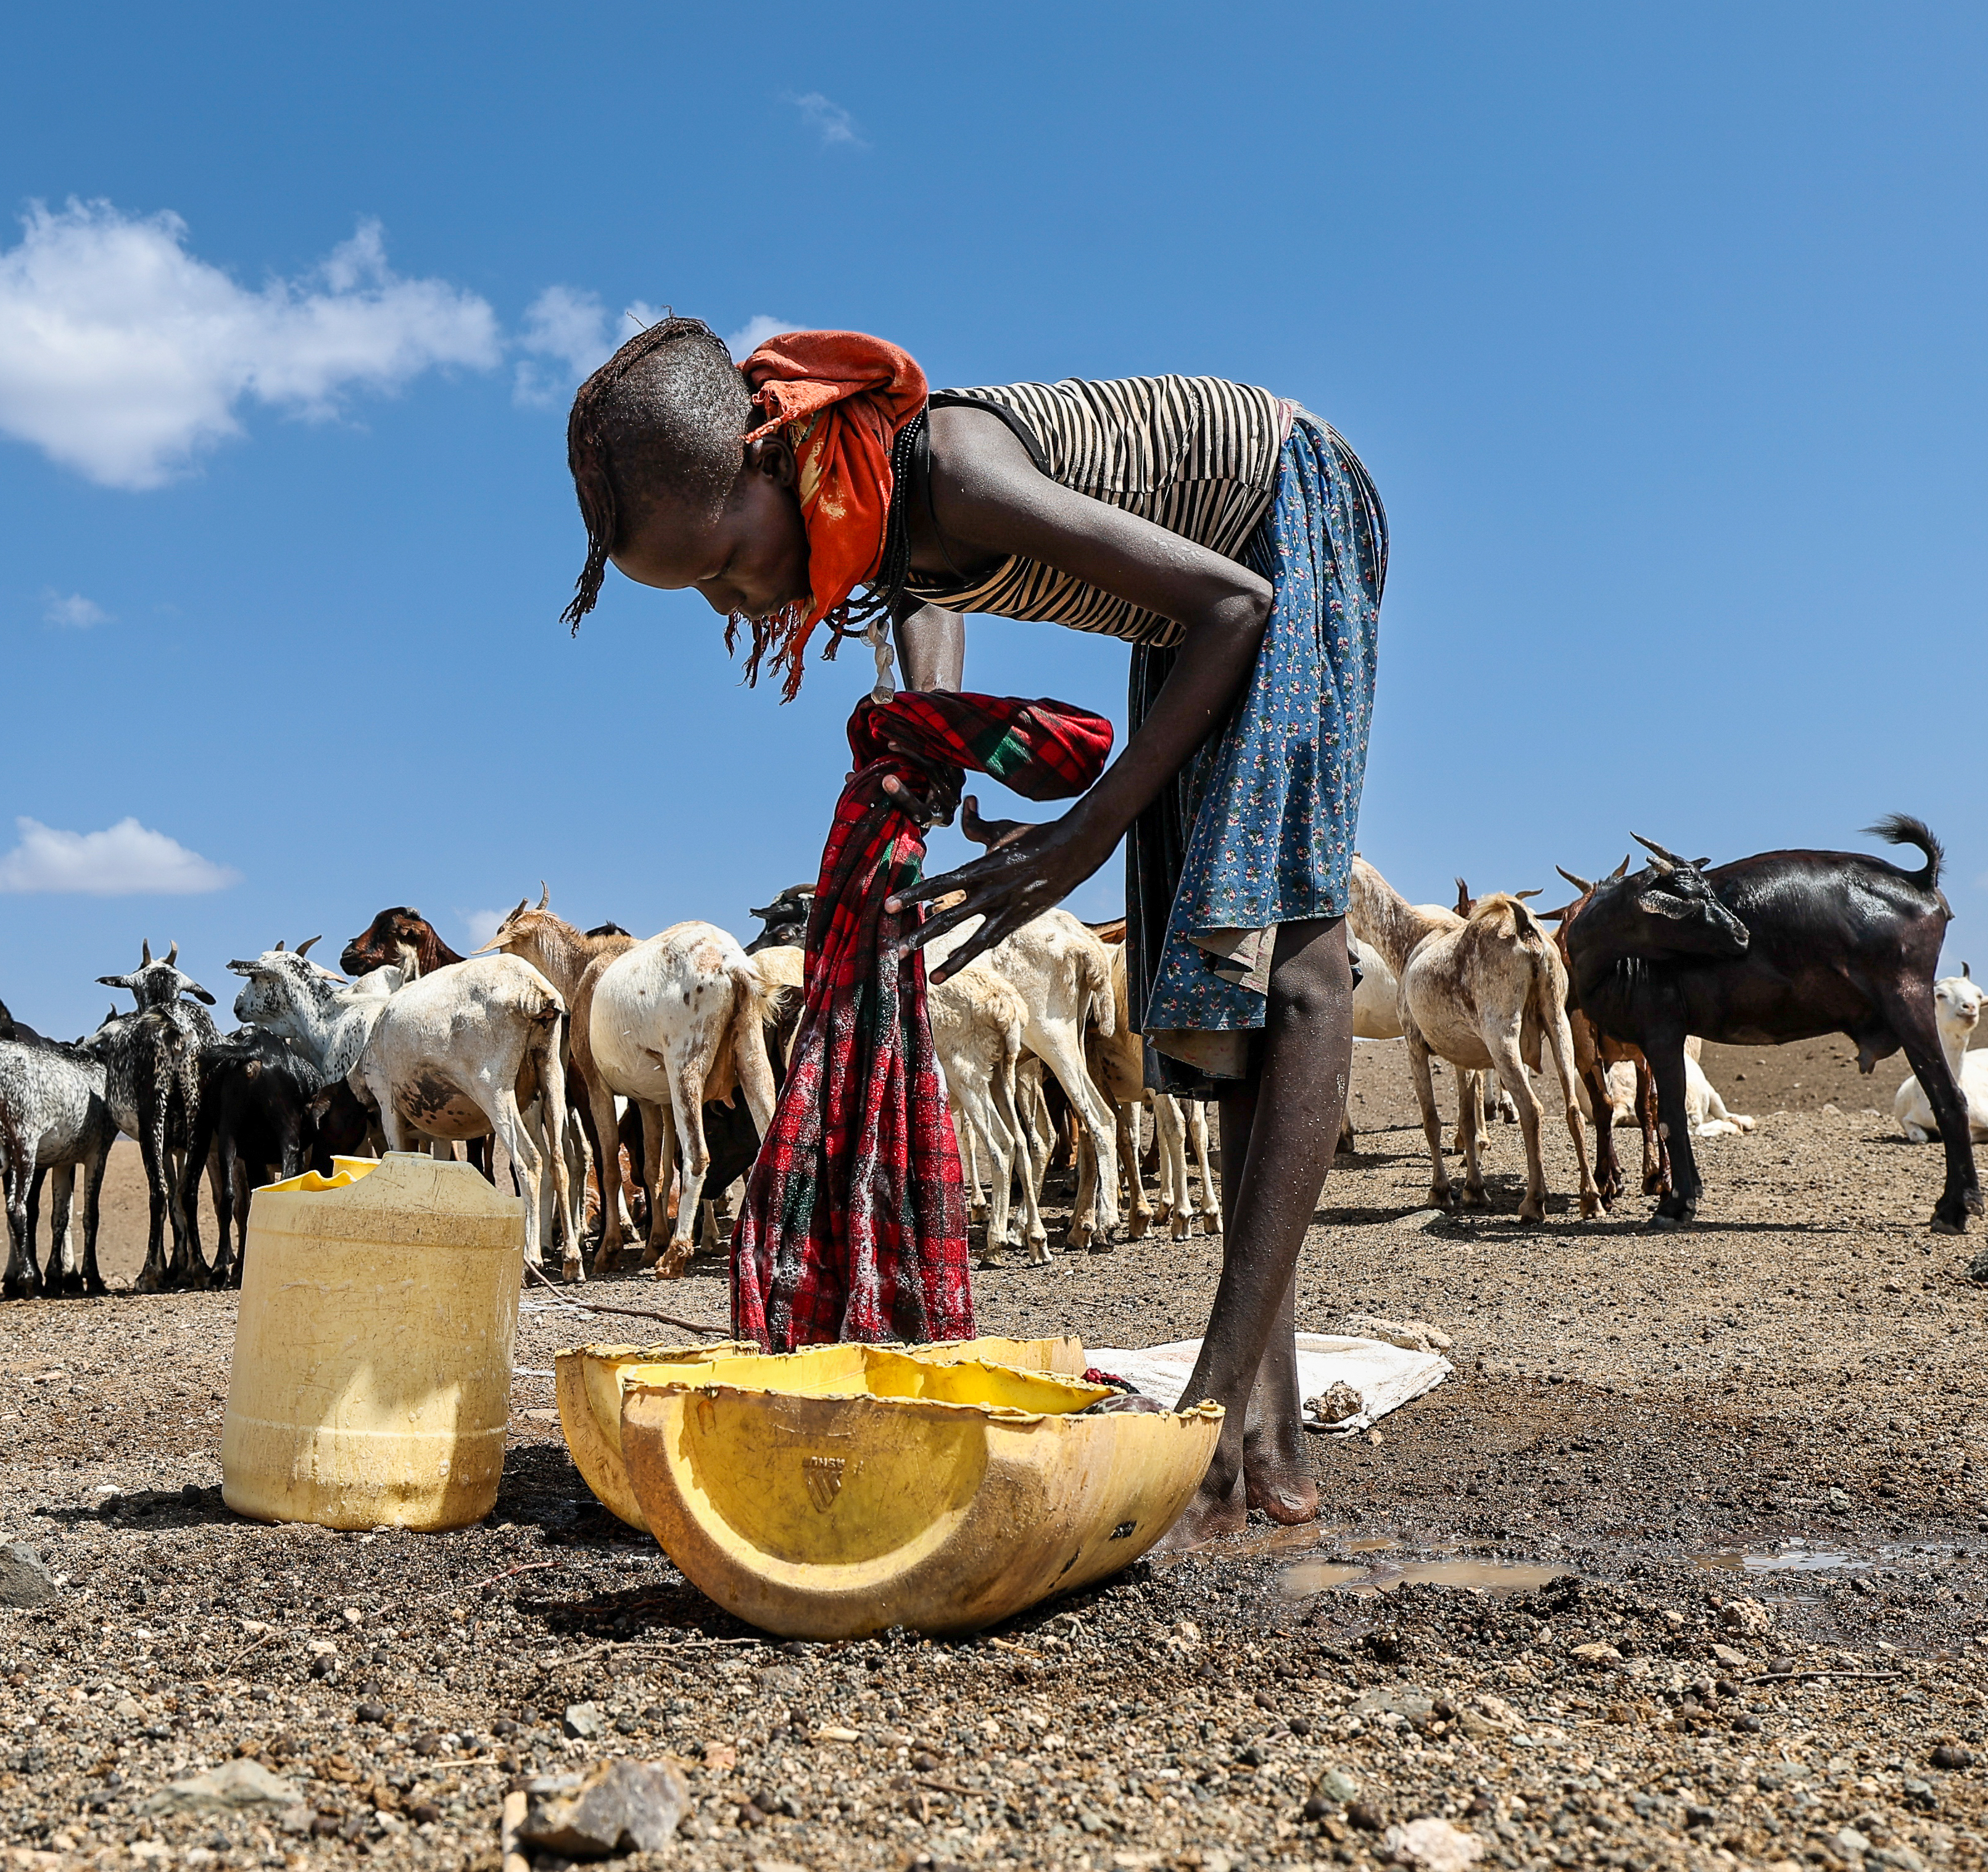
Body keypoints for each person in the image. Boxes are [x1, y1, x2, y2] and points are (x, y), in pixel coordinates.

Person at [560, 320, 1385, 1538]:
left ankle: (1213, 1417)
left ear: (771, 459)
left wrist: (1089, 829)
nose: (739, 600)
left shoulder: (949, 467)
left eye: (727, 560)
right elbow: (922, 635)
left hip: (1282, 519)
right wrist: (922, 770)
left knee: (1291, 961)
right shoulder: (875, 513)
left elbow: (1236, 598)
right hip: (1189, 617)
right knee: (1224, 994)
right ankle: (1260, 1431)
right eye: (709, 597)